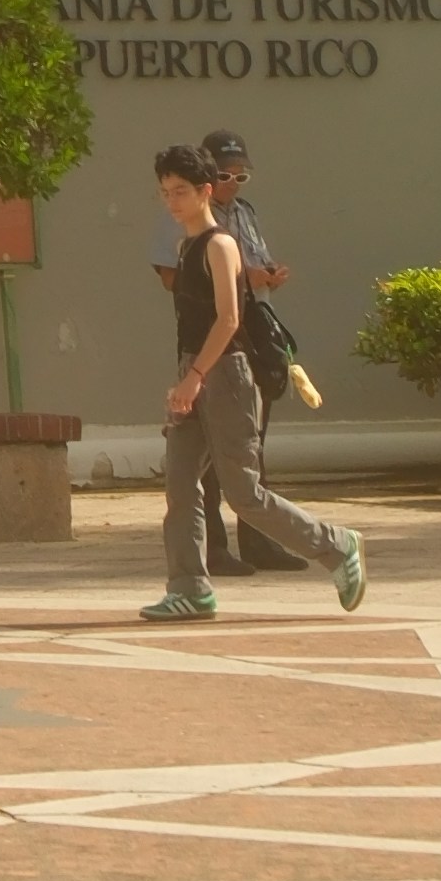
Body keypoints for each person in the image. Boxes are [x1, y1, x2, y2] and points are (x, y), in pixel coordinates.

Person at [146, 143, 367, 621]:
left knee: (244, 494)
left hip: (225, 374)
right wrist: (185, 380)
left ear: (206, 191)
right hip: (196, 371)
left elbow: (228, 320)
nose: (171, 201)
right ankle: (190, 588)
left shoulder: (221, 245)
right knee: (181, 487)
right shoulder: (185, 247)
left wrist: (196, 378)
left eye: (180, 191)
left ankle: (337, 546)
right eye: (165, 192)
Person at [201, 128, 321, 570]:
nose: (232, 185)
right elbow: (178, 277)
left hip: (257, 328)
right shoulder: (198, 217)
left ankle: (259, 541)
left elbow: (255, 260)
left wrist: (267, 274)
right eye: (224, 175)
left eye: (240, 177)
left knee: (253, 441)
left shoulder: (244, 213)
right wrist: (241, 279)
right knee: (214, 447)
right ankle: (211, 547)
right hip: (220, 335)